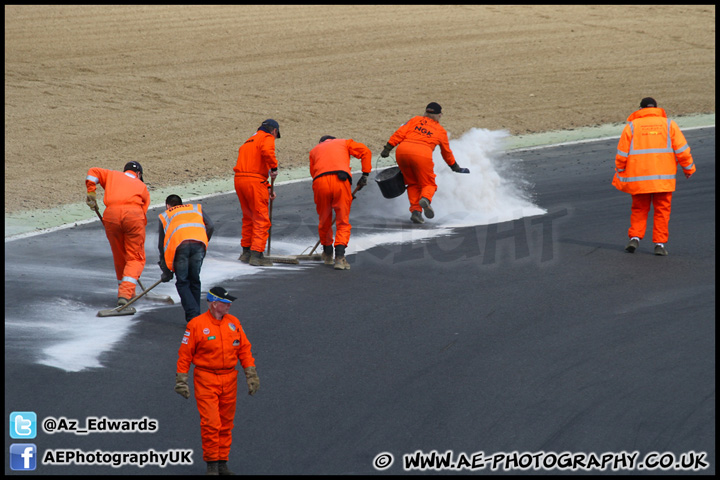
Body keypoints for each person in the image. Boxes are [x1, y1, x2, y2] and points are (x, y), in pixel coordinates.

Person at [174, 286, 260, 476]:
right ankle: (212, 464)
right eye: (226, 302)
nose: (229, 305)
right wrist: (182, 379)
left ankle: (222, 463)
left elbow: (244, 349)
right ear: (214, 304)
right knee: (211, 423)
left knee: (226, 424)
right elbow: (185, 355)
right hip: (205, 378)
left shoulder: (234, 323)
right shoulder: (196, 325)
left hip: (230, 379)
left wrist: (251, 374)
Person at [612, 97, 696, 256]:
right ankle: (659, 243)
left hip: (639, 179)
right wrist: (688, 168)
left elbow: (622, 154)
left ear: (640, 109)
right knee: (662, 211)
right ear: (657, 108)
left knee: (639, 209)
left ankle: (635, 238)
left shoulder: (632, 126)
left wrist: (620, 169)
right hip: (663, 180)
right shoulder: (669, 125)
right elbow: (682, 151)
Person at [380, 102, 469, 224]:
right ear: (439, 115)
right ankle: (425, 199)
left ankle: (416, 212)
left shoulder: (415, 120)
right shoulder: (440, 131)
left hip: (402, 151)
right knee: (429, 184)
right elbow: (446, 152)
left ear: (426, 112)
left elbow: (399, 133)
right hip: (421, 155)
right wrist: (455, 167)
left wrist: (388, 148)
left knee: (412, 183)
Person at [85, 161, 150, 306]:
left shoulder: (112, 175)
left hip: (111, 216)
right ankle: (126, 294)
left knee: (120, 255)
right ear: (138, 174)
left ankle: (126, 291)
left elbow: (93, 171)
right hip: (133, 216)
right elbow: (143, 212)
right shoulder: (142, 186)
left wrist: (91, 192)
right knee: (135, 258)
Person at [308, 135, 372, 270]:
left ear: (321, 142)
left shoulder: (314, 150)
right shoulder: (344, 142)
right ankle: (339, 257)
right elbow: (366, 151)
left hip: (320, 182)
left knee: (324, 219)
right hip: (341, 181)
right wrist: (365, 174)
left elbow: (313, 173)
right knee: (342, 221)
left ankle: (327, 253)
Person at [158, 194, 215, 322]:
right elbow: (210, 226)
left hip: (180, 248)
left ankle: (194, 316)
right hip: (198, 245)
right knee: (194, 280)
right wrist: (204, 242)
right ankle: (196, 316)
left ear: (168, 205)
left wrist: (166, 270)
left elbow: (162, 246)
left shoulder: (166, 215)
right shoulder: (195, 208)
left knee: (183, 282)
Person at [233, 119, 280, 267]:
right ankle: (257, 255)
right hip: (254, 182)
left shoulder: (248, 141)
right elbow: (267, 152)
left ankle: (246, 252)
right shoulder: (267, 138)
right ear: (274, 131)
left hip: (240, 181)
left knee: (248, 217)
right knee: (261, 218)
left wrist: (266, 187)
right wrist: (273, 168)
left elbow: (251, 169)